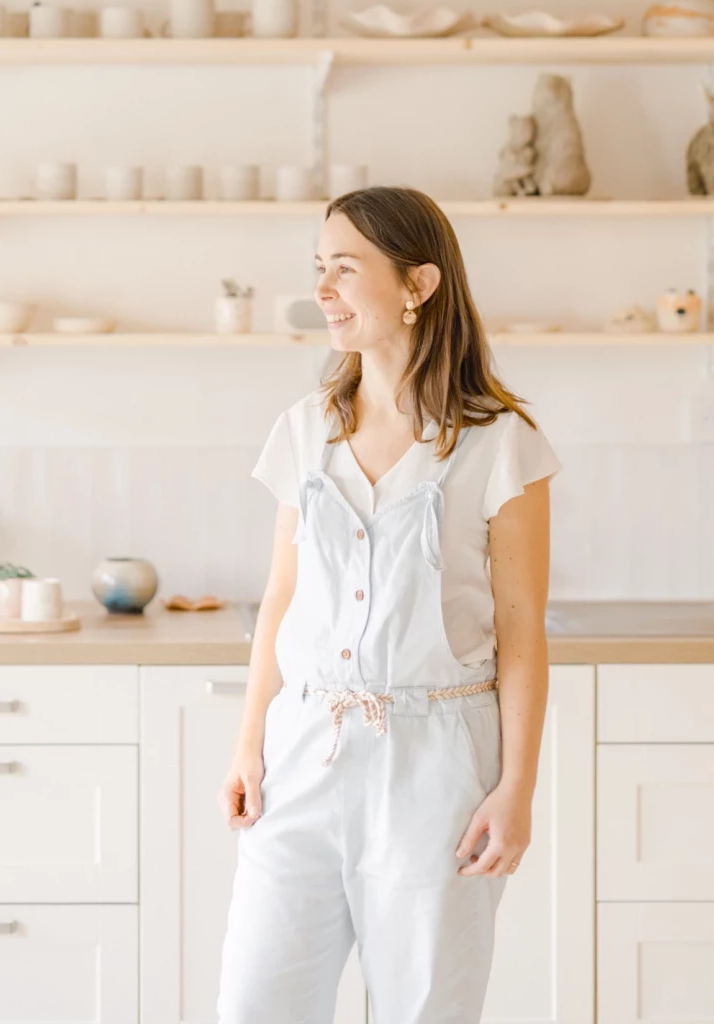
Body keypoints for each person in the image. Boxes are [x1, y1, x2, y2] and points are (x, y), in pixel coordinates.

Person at [216, 186, 560, 1024]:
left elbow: (521, 631)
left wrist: (516, 789)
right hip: (303, 754)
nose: (322, 290)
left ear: (419, 285)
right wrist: (249, 745)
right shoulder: (306, 429)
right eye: (318, 270)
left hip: (438, 765)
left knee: (425, 1009)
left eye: (345, 269)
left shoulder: (499, 441)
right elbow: (282, 601)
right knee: (257, 1006)